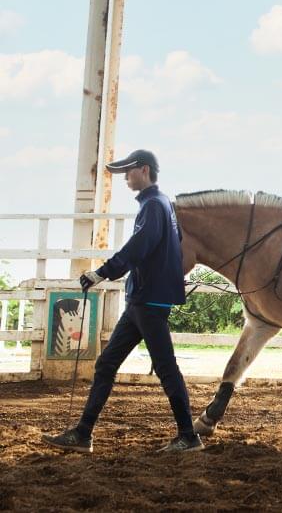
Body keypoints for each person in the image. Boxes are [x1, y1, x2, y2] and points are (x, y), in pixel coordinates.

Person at [42, 149, 203, 453]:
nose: (126, 178)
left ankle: (189, 436)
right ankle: (83, 433)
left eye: (128, 172)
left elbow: (139, 247)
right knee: (106, 364)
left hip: (148, 301)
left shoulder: (153, 205)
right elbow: (174, 242)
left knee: (166, 368)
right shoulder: (162, 204)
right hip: (143, 300)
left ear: (144, 170)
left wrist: (102, 273)